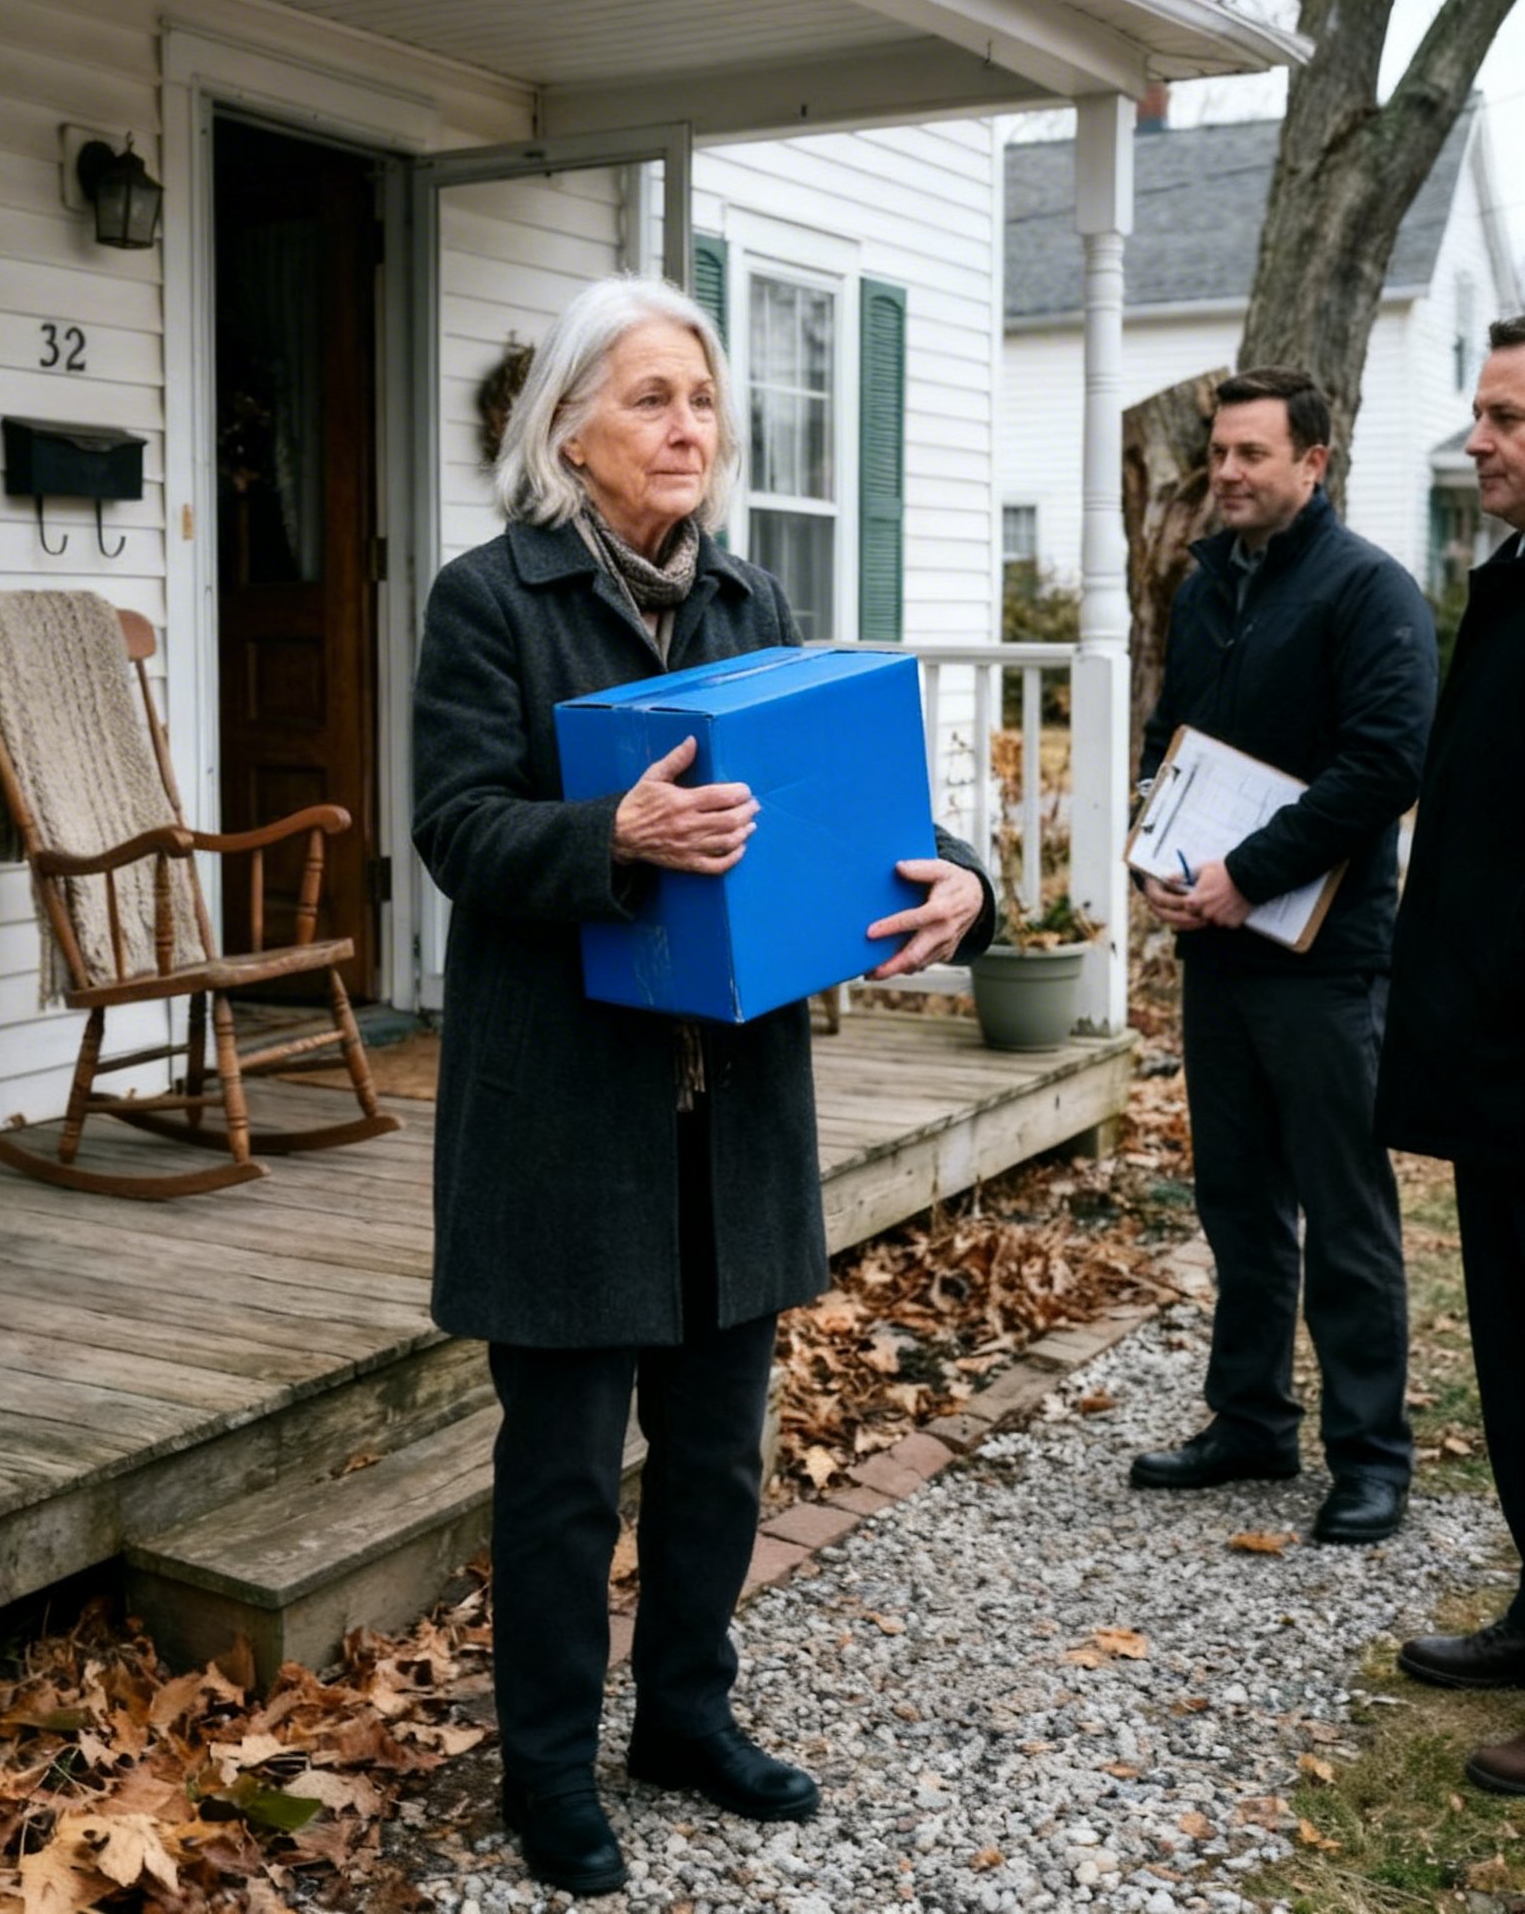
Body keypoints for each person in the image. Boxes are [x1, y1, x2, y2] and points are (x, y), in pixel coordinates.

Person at [411, 273, 993, 1896]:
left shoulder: (753, 594)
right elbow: (453, 825)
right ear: (569, 430)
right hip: (564, 1114)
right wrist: (610, 834)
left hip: (726, 1112)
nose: (689, 426)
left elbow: (840, 803)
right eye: (651, 398)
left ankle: (682, 1712)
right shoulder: (489, 599)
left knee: (721, 1457)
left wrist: (959, 882)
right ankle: (544, 1766)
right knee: (563, 1470)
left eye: (703, 398)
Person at [1128, 367, 1438, 1544]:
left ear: (1316, 462)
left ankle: (1371, 1455)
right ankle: (1250, 1421)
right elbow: (1174, 737)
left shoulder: (1370, 593)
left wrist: (1246, 873)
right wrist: (1158, 850)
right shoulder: (1208, 586)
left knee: (1343, 1213)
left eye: (1254, 454)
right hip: (1218, 953)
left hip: (1324, 961)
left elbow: (1385, 767)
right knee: (1238, 1204)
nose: (1228, 473)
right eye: (1219, 452)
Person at [1380, 316, 1525, 1792]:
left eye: (1509, 419)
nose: (1479, 439)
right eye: (1482, 412)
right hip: (1493, 1072)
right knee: (1516, 1373)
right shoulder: (1513, 576)